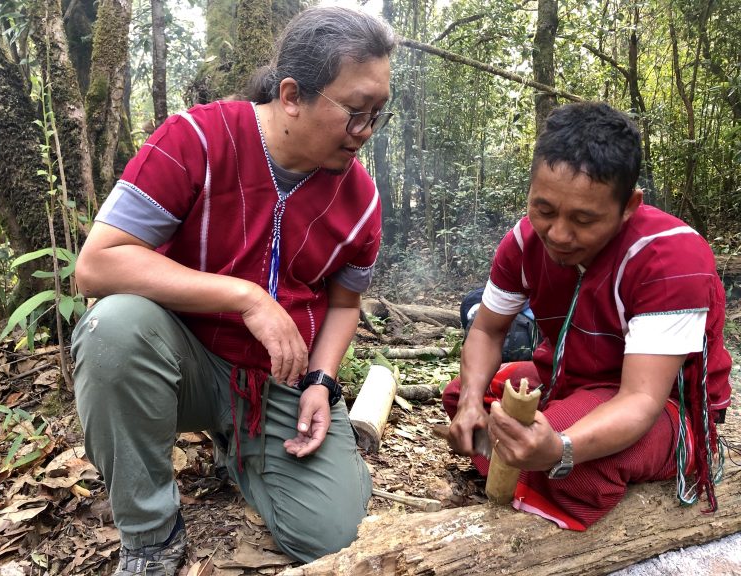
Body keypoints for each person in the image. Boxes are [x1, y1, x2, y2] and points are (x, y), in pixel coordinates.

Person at [71, 6, 395, 574]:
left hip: (278, 380)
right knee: (113, 327)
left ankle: (240, 449)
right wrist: (245, 297)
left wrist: (321, 380)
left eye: (377, 114)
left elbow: (345, 304)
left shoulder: (360, 199)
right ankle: (151, 536)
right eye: (354, 113)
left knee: (335, 536)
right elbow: (97, 264)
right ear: (292, 94)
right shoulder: (196, 138)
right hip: (182, 362)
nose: (365, 133)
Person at [443, 101, 732, 531]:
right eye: (544, 210)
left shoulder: (669, 257)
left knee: (566, 459)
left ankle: (548, 476)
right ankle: (532, 468)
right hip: (570, 376)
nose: (558, 234)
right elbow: (486, 329)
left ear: (629, 206)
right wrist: (469, 403)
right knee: (464, 395)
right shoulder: (524, 242)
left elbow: (640, 399)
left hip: (659, 405)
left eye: (583, 219)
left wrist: (560, 447)